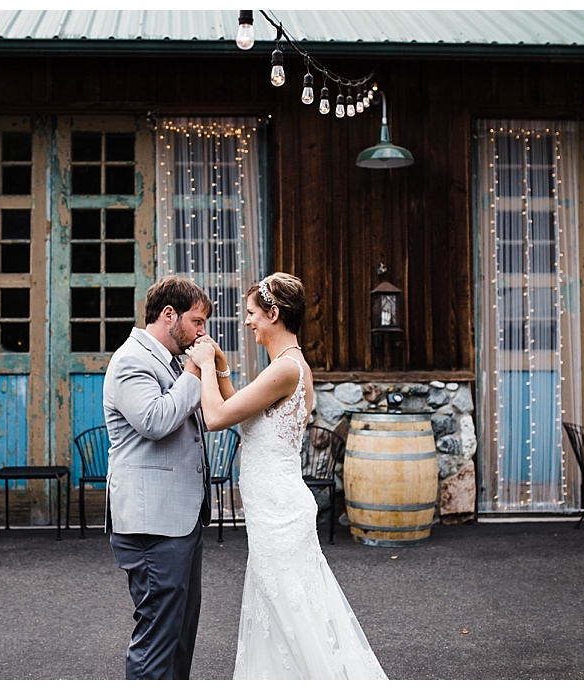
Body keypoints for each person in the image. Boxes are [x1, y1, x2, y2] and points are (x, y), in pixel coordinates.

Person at [186, 272, 388, 680]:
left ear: (273, 313)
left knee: (297, 616)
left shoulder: (286, 370)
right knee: (280, 615)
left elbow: (215, 417)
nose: (247, 322)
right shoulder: (284, 367)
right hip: (272, 509)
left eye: (251, 314)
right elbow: (240, 415)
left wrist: (205, 364)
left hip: (279, 511)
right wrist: (222, 369)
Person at [103, 275, 214, 680]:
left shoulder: (170, 363)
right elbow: (155, 420)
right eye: (197, 321)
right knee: (156, 637)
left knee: (181, 633)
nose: (202, 332)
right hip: (152, 525)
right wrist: (195, 372)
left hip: (180, 519)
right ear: (169, 315)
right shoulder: (131, 359)